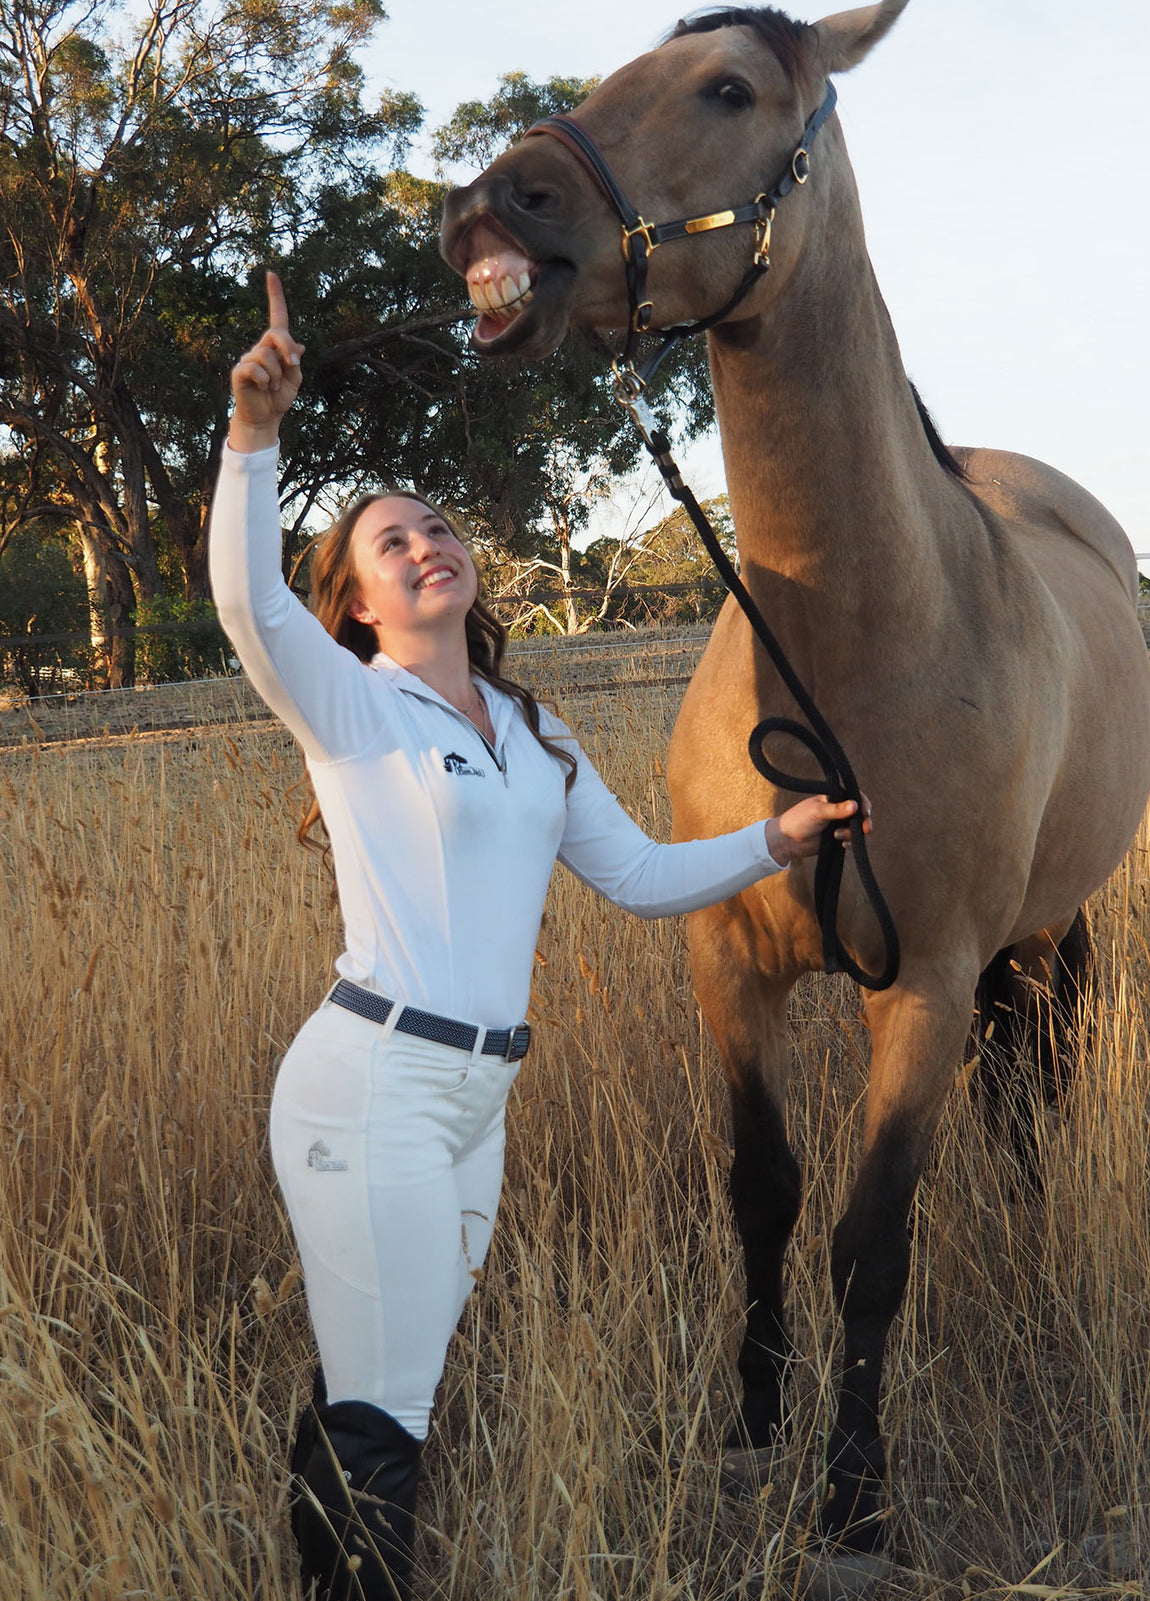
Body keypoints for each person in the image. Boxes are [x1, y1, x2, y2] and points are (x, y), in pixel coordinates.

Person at [210, 274, 869, 1601]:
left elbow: (633, 875)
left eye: (435, 527)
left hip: (476, 1100)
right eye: (388, 546)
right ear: (356, 604)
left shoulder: (534, 733)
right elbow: (247, 606)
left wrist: (775, 841)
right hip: (372, 1083)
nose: (423, 546)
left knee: (385, 1382)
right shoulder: (354, 707)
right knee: (389, 1408)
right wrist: (252, 440)